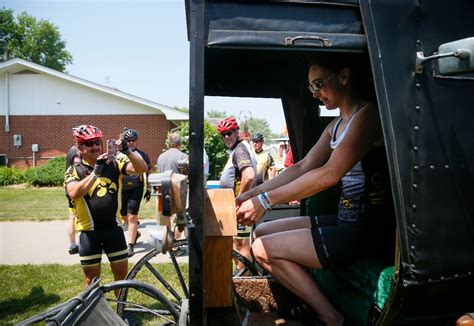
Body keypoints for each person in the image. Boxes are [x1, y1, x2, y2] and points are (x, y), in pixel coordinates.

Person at [235, 56, 395, 325]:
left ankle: (330, 317)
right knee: (260, 231)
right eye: (311, 89)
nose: (316, 94)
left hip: (367, 229)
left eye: (319, 84)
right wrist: (252, 194)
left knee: (262, 249)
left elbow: (329, 174)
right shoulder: (335, 126)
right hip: (347, 221)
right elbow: (302, 166)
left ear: (343, 77)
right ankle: (309, 299)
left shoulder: (367, 114)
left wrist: (266, 200)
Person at [64, 124, 148, 292]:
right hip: (89, 233)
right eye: (89, 143)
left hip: (113, 230)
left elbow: (142, 168)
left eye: (97, 142)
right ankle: (94, 314)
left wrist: (127, 151)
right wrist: (96, 172)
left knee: (122, 279)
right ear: (80, 147)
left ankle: (122, 311)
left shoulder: (114, 162)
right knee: (92, 281)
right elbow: (73, 193)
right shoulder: (74, 170)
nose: (95, 146)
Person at [217, 117, 257, 271]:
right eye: (223, 135)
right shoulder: (239, 148)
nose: (226, 137)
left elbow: (249, 175)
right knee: (236, 242)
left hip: (241, 206)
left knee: (241, 244)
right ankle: (241, 277)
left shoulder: (240, 150)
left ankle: (243, 282)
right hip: (240, 206)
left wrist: (238, 200)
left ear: (236, 132)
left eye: (229, 133)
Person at [119, 128, 153, 257]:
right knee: (123, 216)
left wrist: (149, 188)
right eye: (128, 140)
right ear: (125, 141)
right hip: (122, 188)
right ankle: (136, 233)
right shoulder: (119, 154)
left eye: (133, 140)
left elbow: (148, 171)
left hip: (136, 187)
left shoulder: (142, 155)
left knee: (132, 216)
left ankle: (130, 245)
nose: (131, 143)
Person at [65, 145, 82, 255]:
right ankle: (83, 243)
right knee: (81, 217)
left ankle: (72, 245)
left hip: (69, 189)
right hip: (78, 190)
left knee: (72, 217)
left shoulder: (69, 169)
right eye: (77, 156)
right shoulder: (78, 166)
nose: (78, 158)